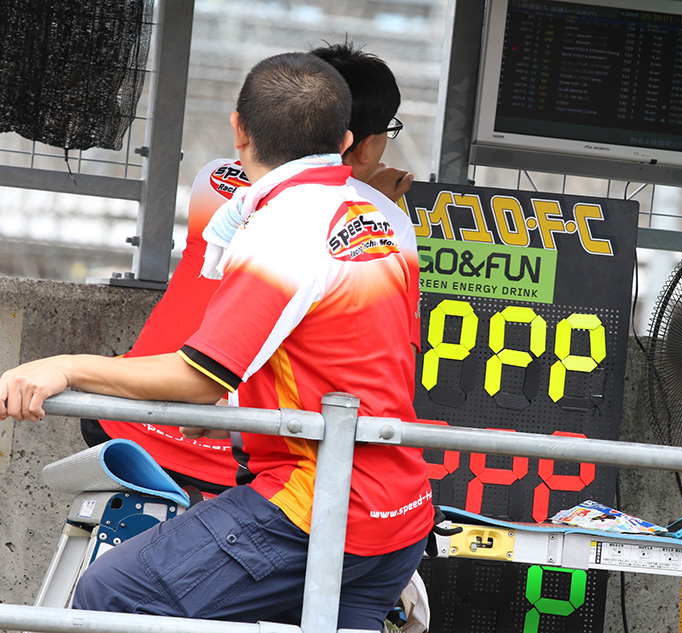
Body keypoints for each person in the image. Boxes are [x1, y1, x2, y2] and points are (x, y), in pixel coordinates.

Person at [0, 52, 434, 630]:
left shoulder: (284, 227)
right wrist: (238, 412)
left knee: (112, 593)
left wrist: (65, 366)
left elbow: (200, 377)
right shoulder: (381, 222)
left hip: (317, 504)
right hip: (401, 514)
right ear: (348, 139)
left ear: (238, 129)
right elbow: (350, 361)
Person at [80, 41, 416, 497]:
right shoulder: (386, 221)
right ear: (360, 144)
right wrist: (375, 197)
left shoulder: (214, 177)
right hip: (234, 454)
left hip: (124, 420)